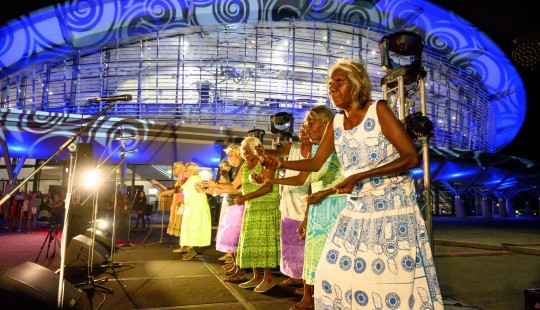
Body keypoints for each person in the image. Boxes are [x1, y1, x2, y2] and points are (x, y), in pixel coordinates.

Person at [261, 58, 443, 309]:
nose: (332, 88)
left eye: (339, 82)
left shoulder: (378, 109)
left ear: (357, 85)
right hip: (358, 206)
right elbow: (315, 163)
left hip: (392, 207)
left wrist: (360, 176)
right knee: (333, 270)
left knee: (388, 279)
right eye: (329, 84)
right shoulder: (336, 122)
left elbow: (411, 157)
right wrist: (280, 165)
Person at [255, 105, 347, 310]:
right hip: (317, 207)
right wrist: (271, 180)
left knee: (336, 259)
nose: (305, 127)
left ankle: (335, 300)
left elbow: (348, 179)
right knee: (313, 256)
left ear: (327, 124)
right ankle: (309, 298)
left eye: (311, 122)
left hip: (338, 207)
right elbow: (303, 179)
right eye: (305, 123)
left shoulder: (341, 143)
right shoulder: (316, 149)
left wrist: (281, 165)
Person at [209, 136, 280, 293]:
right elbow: (234, 185)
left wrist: (245, 197)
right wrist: (215, 184)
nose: (246, 153)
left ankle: (268, 278)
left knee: (263, 242)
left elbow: (267, 187)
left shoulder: (265, 161)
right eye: (244, 150)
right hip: (251, 206)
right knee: (251, 242)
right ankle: (256, 276)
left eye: (248, 150)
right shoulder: (245, 166)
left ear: (256, 149)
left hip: (265, 206)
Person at [253, 123, 312, 288]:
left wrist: (272, 180)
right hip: (288, 198)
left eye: (307, 130)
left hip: (305, 197)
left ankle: (305, 280)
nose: (303, 132)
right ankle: (294, 274)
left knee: (302, 242)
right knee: (289, 241)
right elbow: (277, 153)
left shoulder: (316, 151)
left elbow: (301, 179)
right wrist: (263, 152)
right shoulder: (292, 146)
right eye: (301, 130)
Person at [178, 162, 212, 260]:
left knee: (194, 228)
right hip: (193, 207)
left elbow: (179, 190)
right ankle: (191, 249)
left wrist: (164, 192)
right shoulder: (193, 179)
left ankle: (192, 249)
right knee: (191, 228)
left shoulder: (195, 178)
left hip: (196, 208)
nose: (184, 172)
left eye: (186, 170)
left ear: (192, 170)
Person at [152, 161, 187, 253]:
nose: (173, 169)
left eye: (175, 167)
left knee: (183, 226)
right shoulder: (180, 178)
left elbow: (178, 190)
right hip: (179, 204)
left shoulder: (183, 176)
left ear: (181, 168)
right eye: (173, 167)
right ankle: (184, 246)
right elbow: (170, 189)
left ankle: (184, 246)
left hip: (182, 204)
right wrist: (158, 184)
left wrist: (163, 193)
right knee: (182, 226)